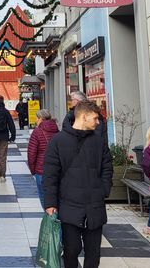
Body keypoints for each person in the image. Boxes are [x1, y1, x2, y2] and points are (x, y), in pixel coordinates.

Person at [43, 101, 112, 268]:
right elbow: (50, 174)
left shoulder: (99, 141)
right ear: (83, 116)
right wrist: (51, 203)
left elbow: (107, 167)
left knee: (93, 254)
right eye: (95, 118)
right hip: (69, 206)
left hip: (94, 206)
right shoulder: (58, 141)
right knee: (71, 251)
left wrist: (103, 190)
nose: (98, 122)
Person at [27, 108, 59, 209]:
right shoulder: (57, 130)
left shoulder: (37, 132)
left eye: (36, 118)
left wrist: (33, 170)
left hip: (41, 169)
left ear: (41, 118)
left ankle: (50, 219)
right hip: (56, 169)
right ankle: (56, 217)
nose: (36, 120)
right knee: (55, 195)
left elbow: (31, 153)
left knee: (43, 195)